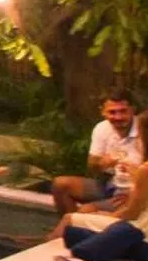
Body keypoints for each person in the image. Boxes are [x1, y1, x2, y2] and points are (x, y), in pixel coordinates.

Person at [55, 109, 148, 261]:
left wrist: (109, 217)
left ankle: (43, 249)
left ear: (146, 137)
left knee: (69, 219)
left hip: (145, 234)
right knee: (87, 223)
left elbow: (132, 213)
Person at [51, 89, 141, 220]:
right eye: (112, 112)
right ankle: (70, 232)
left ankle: (72, 231)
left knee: (84, 212)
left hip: (132, 191)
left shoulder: (144, 131)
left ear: (133, 110)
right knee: (60, 185)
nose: (118, 117)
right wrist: (101, 164)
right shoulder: (102, 128)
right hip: (108, 183)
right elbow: (92, 165)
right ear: (102, 111)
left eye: (123, 111)